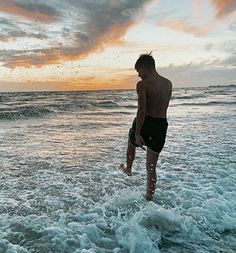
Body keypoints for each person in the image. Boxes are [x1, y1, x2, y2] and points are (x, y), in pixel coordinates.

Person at [121, 54, 172, 201]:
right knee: (151, 167)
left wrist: (138, 134)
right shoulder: (168, 83)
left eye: (138, 71)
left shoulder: (142, 84)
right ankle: (149, 197)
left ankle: (128, 168)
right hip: (161, 125)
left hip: (146, 122)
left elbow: (142, 110)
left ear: (144, 67)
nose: (138, 74)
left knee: (131, 140)